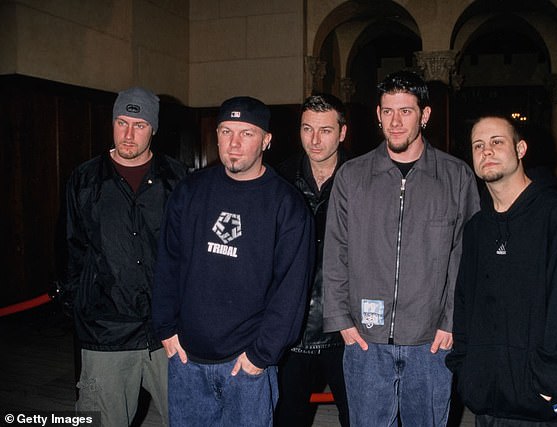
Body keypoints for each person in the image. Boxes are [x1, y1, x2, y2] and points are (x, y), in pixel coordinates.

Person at [322, 70, 480, 426]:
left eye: (405, 111)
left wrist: (452, 322)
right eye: (388, 111)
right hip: (365, 342)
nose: (395, 122)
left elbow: (465, 257)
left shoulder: (456, 177)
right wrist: (341, 320)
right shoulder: (352, 176)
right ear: (378, 115)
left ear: (425, 115)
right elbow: (335, 251)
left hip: (431, 343)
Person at [151, 96, 314, 427]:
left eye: (246, 133)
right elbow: (167, 263)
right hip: (186, 360)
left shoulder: (287, 205)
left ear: (266, 140)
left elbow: (291, 291)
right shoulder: (190, 191)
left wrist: (261, 356)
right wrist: (165, 328)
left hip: (247, 366)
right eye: (226, 131)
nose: (234, 143)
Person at [446, 115, 557, 426]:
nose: (486, 151)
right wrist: (467, 369)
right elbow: (464, 304)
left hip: (541, 406)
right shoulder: (476, 228)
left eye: (497, 142)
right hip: (488, 403)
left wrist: (550, 381)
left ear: (520, 149)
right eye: (478, 145)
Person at [62, 87, 188, 426]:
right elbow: (71, 250)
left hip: (169, 331)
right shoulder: (85, 179)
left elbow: (190, 253)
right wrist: (83, 307)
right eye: (122, 122)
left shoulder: (177, 179)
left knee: (191, 417)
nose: (129, 134)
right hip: (106, 332)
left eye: (139, 125)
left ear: (154, 129)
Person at [275, 94, 350, 427]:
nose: (315, 140)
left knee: (359, 417)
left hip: (347, 330)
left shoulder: (363, 179)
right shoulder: (278, 178)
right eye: (307, 129)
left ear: (342, 133)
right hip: (291, 327)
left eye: (325, 130)